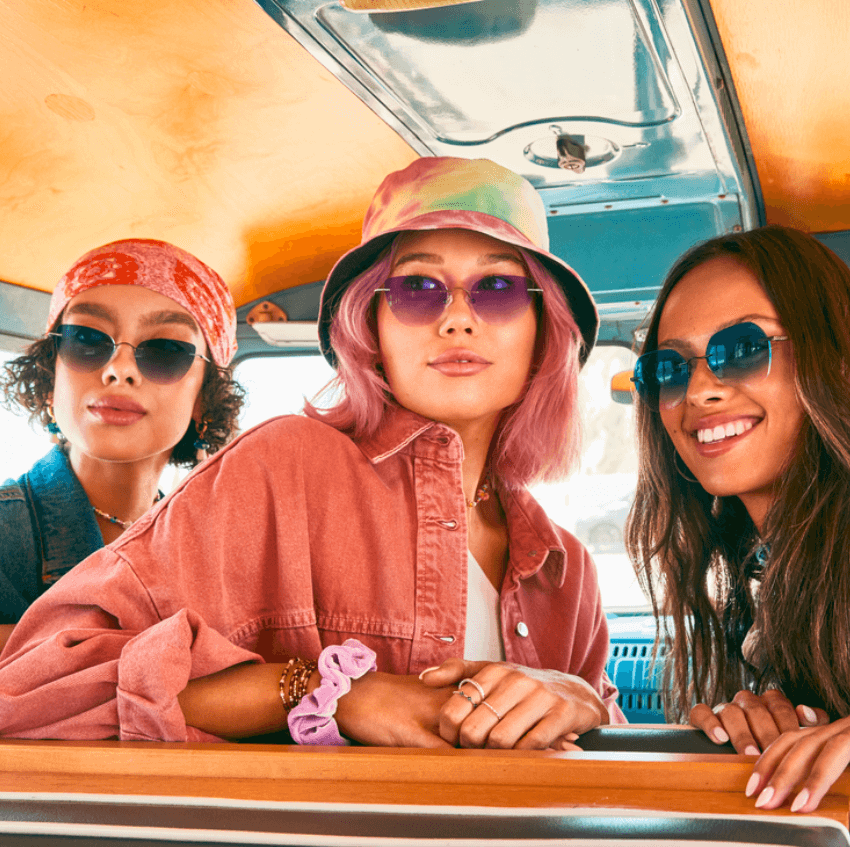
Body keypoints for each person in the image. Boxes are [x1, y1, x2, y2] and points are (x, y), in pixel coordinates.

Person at [0, 156, 622, 748]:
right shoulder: (280, 468)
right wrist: (332, 692)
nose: (457, 319)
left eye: (497, 288)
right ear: (369, 324)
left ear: (545, 329)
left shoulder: (564, 568)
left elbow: (608, 765)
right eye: (417, 289)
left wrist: (584, 700)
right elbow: (35, 687)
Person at [627, 224, 850, 813]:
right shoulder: (764, 574)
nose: (699, 390)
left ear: (831, 351)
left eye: (744, 348)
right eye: (668, 370)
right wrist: (762, 720)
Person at [0, 239, 243, 635]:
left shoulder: (215, 556)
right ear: (50, 376)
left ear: (204, 398)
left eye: (165, 349)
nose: (120, 369)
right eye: (87, 339)